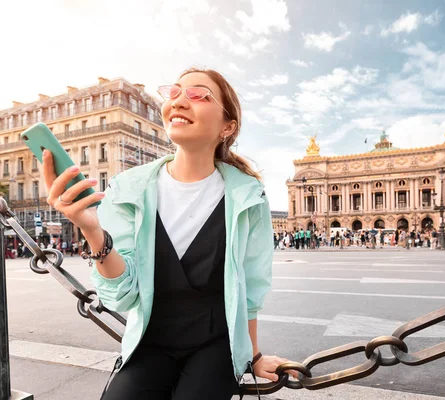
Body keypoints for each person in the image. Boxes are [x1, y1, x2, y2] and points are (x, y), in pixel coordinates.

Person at [41, 68, 296, 399]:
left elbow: (252, 286)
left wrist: (254, 354)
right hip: (150, 340)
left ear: (227, 126)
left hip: (216, 344)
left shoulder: (248, 195)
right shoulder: (127, 188)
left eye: (198, 94)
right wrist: (92, 230)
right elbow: (122, 295)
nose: (179, 101)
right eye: (174, 93)